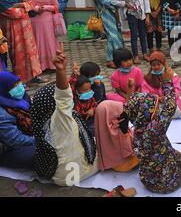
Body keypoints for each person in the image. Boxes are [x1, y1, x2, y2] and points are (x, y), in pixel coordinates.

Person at [31, 45, 97, 185]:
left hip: (59, 177)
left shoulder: (41, 123)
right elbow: (63, 97)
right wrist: (60, 70)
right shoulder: (60, 119)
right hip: (79, 175)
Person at [124, 86, 181, 193]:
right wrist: (168, 84)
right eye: (156, 108)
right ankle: (179, 167)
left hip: (148, 181)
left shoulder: (137, 131)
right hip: (168, 182)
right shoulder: (154, 130)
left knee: (165, 151)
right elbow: (171, 106)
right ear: (147, 113)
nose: (158, 110)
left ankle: (173, 160)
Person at [0, 0, 43, 83]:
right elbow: (13, 13)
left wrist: (19, 5)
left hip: (26, 29)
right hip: (13, 30)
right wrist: (25, 7)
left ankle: (34, 75)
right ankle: (21, 78)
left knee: (31, 51)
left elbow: (31, 5)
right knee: (18, 54)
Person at [22, 0, 59, 72]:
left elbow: (56, 6)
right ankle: (39, 67)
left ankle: (52, 65)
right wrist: (36, 9)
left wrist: (46, 7)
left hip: (48, 21)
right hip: (33, 21)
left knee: (49, 41)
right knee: (36, 42)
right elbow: (24, 6)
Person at [86, 0, 124, 68]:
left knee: (116, 35)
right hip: (105, 14)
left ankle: (117, 57)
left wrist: (114, 1)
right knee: (112, 36)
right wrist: (120, 3)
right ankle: (110, 59)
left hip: (113, 12)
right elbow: (104, 1)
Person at [112, 0, 151, 64]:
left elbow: (146, 1)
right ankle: (136, 56)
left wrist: (147, 15)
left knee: (143, 34)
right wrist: (124, 4)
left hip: (141, 15)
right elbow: (112, 0)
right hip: (131, 14)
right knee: (134, 35)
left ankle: (145, 54)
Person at [0, 72, 35, 169]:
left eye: (18, 83)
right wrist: (39, 139)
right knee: (43, 153)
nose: (19, 87)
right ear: (3, 89)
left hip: (27, 137)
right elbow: (15, 141)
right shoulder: (2, 114)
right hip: (9, 148)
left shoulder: (22, 98)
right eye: (13, 86)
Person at [95, 100, 139, 172]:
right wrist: (124, 131)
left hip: (109, 162)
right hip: (123, 164)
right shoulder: (117, 130)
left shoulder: (101, 127)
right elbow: (127, 149)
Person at [142, 50, 181, 116]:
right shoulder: (147, 78)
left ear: (163, 64)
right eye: (153, 65)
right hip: (155, 103)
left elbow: (177, 91)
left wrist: (166, 97)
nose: (156, 67)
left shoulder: (172, 75)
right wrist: (157, 98)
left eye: (158, 64)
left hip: (170, 101)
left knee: (173, 109)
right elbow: (145, 93)